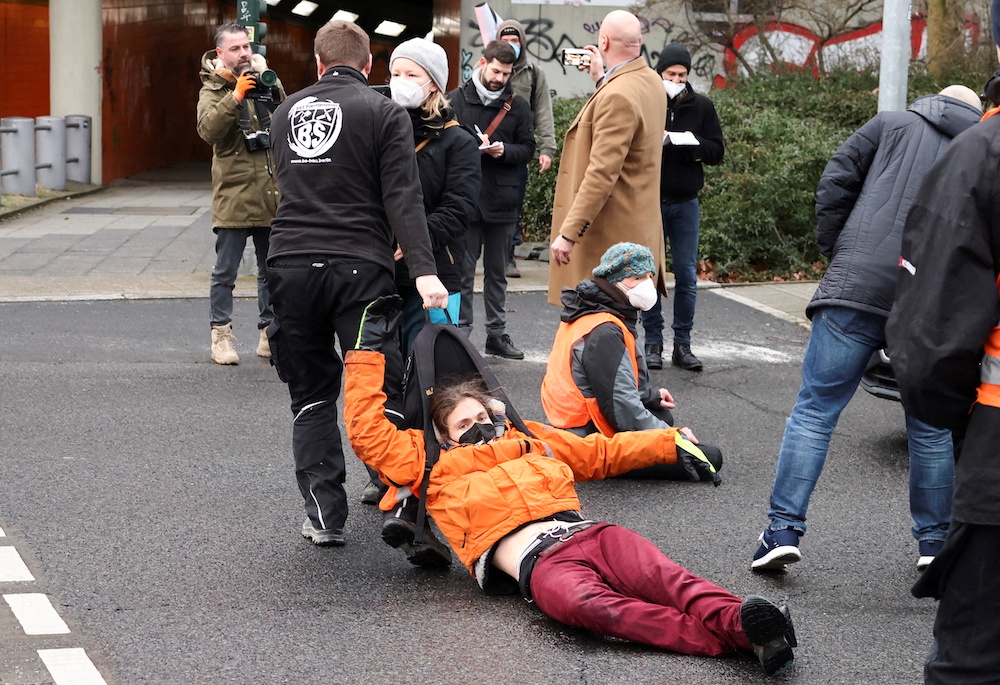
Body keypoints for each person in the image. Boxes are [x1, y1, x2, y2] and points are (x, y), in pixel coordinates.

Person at [342, 296, 797, 676]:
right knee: (592, 609)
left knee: (671, 581)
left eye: (482, 415)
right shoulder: (428, 461)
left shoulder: (529, 439)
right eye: (464, 424)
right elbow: (366, 431)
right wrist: (366, 352)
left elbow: (601, 452)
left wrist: (668, 442)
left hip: (590, 534)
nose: (478, 425)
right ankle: (743, 638)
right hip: (539, 563)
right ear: (443, 435)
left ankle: (747, 623)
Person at [751, 86, 982, 573]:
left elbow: (835, 181)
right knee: (930, 427)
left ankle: (782, 531)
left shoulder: (890, 124)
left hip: (856, 287)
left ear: (935, 100)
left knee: (815, 411)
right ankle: (934, 543)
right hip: (927, 301)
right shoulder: (981, 147)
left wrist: (840, 252)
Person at [266, 20, 448, 546]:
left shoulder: (284, 112)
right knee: (375, 388)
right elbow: (403, 197)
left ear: (318, 63)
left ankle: (324, 518)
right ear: (369, 66)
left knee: (310, 395)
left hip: (290, 266)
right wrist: (424, 272)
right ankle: (404, 502)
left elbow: (287, 184)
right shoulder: (383, 112)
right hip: (359, 271)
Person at [886, 73, 1000, 685]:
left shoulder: (982, 153)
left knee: (973, 659)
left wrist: (957, 422)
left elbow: (932, 337)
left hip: (996, 443)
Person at [540, 242, 721, 483]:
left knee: (661, 415)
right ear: (614, 280)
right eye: (636, 278)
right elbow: (622, 407)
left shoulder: (599, 310)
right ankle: (605, 462)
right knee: (709, 457)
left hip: (574, 422)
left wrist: (650, 396)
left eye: (648, 276)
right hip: (586, 437)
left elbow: (610, 385)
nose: (646, 284)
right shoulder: (605, 330)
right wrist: (673, 438)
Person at [547, 10, 667, 309]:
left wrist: (569, 233)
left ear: (603, 41)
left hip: (609, 238)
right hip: (637, 230)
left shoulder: (617, 95)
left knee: (598, 325)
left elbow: (602, 174)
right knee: (622, 326)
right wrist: (602, 79)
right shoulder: (651, 80)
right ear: (638, 42)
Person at [197, 22, 284, 365]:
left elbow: (286, 118)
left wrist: (271, 84)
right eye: (235, 49)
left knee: (271, 270)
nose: (244, 53)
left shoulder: (263, 80)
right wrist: (235, 96)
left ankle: (268, 333)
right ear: (220, 53)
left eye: (246, 47)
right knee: (226, 272)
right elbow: (208, 131)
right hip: (233, 195)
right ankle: (221, 335)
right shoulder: (212, 89)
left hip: (269, 193)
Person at [387, 38, 482, 355]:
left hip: (436, 267)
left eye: (412, 75)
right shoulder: (381, 131)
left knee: (428, 363)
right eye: (396, 74)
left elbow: (459, 208)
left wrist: (413, 242)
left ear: (433, 84)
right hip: (380, 268)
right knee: (381, 364)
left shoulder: (458, 142)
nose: (401, 82)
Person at [640, 43, 725, 372]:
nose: (676, 80)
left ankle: (683, 344)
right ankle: (652, 342)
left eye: (682, 75)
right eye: (670, 74)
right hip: (650, 202)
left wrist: (690, 141)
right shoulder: (648, 102)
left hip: (685, 201)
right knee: (649, 274)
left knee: (687, 275)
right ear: (659, 73)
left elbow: (717, 151)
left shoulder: (701, 106)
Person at [449, 40, 535, 360]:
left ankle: (496, 334)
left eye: (506, 73)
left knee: (497, 273)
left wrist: (503, 150)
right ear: (483, 64)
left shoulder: (518, 105)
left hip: (502, 200)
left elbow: (528, 148)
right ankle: (461, 333)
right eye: (496, 71)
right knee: (462, 272)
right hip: (466, 198)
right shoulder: (456, 100)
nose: (500, 78)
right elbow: (443, 144)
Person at [495, 19, 557, 279]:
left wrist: (547, 148)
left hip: (517, 149)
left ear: (523, 43)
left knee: (513, 204)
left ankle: (508, 256)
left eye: (515, 41)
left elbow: (543, 111)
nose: (511, 45)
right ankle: (471, 254)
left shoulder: (534, 73)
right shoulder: (485, 66)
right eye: (505, 41)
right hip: (485, 146)